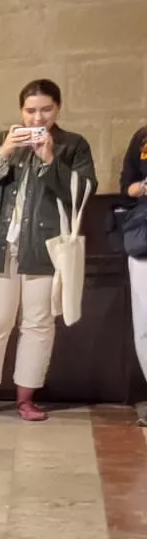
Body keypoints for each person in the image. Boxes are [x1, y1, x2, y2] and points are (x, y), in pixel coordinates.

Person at [0, 79, 98, 422]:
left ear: (58, 108)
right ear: (21, 111)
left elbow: (84, 192)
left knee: (38, 325)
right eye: (30, 110)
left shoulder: (72, 145)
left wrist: (49, 160)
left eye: (46, 109)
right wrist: (2, 152)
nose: (37, 118)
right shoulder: (2, 141)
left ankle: (26, 400)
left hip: (45, 248)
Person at [120, 122, 147, 421]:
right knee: (144, 323)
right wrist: (140, 188)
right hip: (144, 238)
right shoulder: (142, 137)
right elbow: (125, 188)